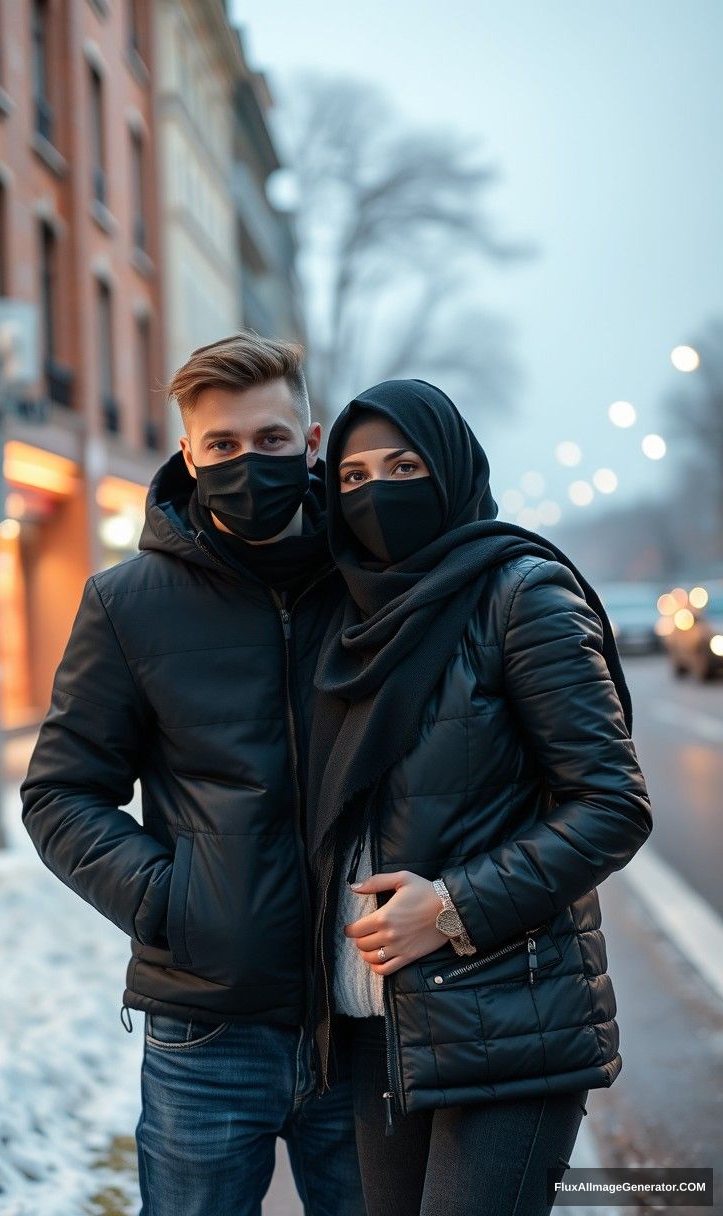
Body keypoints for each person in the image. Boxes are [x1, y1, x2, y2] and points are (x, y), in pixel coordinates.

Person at [20, 334, 366, 1216]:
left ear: (312, 441)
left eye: (272, 440)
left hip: (369, 1014)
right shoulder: (126, 603)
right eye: (222, 445)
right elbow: (59, 792)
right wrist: (170, 902)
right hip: (207, 1029)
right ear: (188, 453)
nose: (248, 462)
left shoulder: (379, 582)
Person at [305, 379, 653, 1216]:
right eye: (351, 478)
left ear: (452, 468)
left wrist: (452, 907)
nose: (376, 492)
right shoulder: (351, 619)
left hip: (509, 1020)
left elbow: (612, 804)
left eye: (403, 465)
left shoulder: (521, 593)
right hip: (376, 1028)